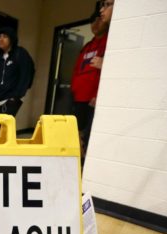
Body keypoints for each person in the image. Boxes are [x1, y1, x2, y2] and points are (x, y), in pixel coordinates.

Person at [70, 11, 109, 166]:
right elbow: (76, 70)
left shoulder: (109, 43)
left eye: (98, 20)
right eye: (92, 22)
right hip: (78, 96)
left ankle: (87, 165)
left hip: (93, 99)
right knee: (76, 132)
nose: (95, 24)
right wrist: (73, 88)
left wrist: (96, 94)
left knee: (89, 134)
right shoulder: (87, 46)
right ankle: (77, 161)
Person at [0, 27, 34, 117]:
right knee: (2, 126)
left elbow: (27, 73)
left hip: (13, 97)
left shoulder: (20, 53)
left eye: (5, 37)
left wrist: (16, 96)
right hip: (0, 98)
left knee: (6, 125)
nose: (1, 39)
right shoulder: (0, 57)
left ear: (11, 39)